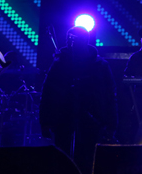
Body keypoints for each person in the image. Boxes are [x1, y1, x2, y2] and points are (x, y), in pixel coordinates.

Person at [39, 26, 117, 174]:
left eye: (76, 39)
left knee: (87, 161)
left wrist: (111, 123)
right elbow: (48, 92)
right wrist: (45, 122)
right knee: (63, 160)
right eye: (71, 39)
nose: (73, 42)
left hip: (92, 120)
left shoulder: (100, 65)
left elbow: (109, 95)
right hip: (63, 119)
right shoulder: (59, 63)